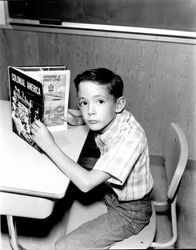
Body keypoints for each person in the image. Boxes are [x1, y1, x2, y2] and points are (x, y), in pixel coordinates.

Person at [31, 68, 154, 250]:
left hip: (131, 211)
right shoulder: (110, 117)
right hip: (111, 191)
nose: (90, 112)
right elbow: (95, 114)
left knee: (64, 246)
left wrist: (49, 145)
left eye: (100, 101)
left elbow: (86, 183)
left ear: (119, 105)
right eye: (83, 103)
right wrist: (77, 119)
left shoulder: (130, 138)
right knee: (59, 169)